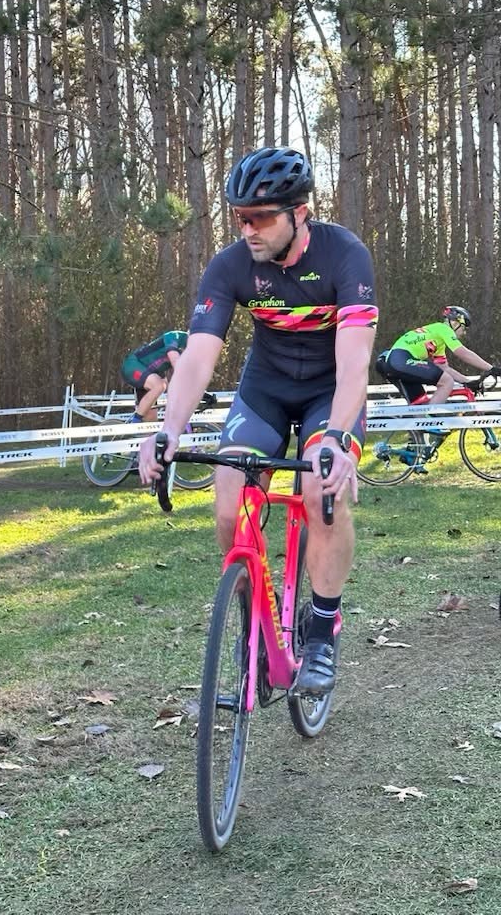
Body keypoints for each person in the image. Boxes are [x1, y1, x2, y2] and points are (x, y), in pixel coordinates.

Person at [139, 146, 378, 697]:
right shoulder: (230, 266)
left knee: (321, 489)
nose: (247, 229)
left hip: (328, 392)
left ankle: (322, 628)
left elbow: (354, 365)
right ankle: (255, 623)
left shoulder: (345, 255)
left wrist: (337, 437)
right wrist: (168, 430)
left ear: (300, 213)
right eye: (240, 217)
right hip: (265, 390)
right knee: (229, 502)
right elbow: (198, 357)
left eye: (261, 217)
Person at [383, 307, 496, 404]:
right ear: (455, 323)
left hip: (396, 361)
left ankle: (424, 420)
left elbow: (444, 368)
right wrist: (491, 369)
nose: (464, 332)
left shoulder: (437, 339)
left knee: (420, 404)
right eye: (464, 328)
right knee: (447, 382)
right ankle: (432, 418)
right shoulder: (444, 329)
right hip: (400, 359)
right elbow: (462, 353)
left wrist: (467, 381)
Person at [121, 331, 188, 422]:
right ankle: (135, 421)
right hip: (133, 365)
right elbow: (176, 363)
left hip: (150, 374)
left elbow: (175, 379)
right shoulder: (174, 336)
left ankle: (136, 426)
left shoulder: (190, 351)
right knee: (159, 386)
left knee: (151, 421)